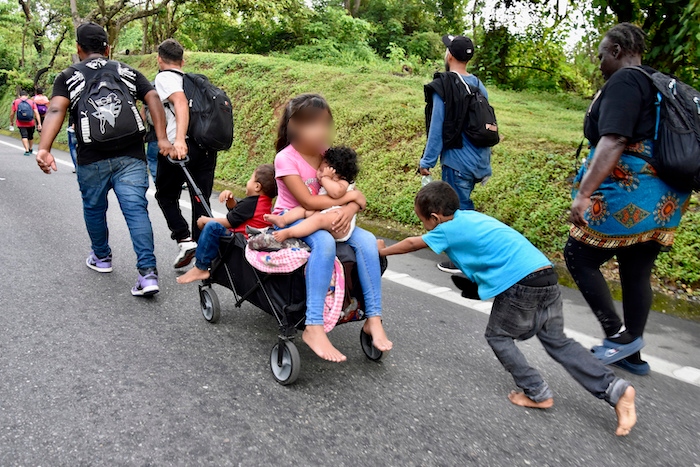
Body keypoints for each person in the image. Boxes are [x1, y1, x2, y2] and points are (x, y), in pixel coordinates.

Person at [378, 181, 637, 436]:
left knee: (498, 336)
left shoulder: (447, 228)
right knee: (557, 341)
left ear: (434, 217)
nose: (425, 226)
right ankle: (616, 390)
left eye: (423, 220)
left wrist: (382, 252)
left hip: (522, 283)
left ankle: (537, 392)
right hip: (544, 273)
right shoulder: (469, 217)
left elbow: (413, 243)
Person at [565, 23, 692, 376]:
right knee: (636, 269)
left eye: (603, 54)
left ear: (618, 51)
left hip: (631, 191)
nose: (600, 62)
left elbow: (614, 140)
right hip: (666, 199)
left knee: (578, 254)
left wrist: (584, 194)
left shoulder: (625, 80)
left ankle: (617, 338)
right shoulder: (657, 81)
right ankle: (632, 354)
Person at [35, 22, 174, 297]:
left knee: (94, 208)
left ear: (78, 48)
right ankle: (147, 274)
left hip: (91, 157)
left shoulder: (68, 76)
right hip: (131, 155)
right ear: (107, 48)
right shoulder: (125, 71)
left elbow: (55, 109)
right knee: (136, 211)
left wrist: (44, 148)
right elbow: (153, 97)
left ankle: (102, 258)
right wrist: (163, 139)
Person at [272, 93, 392, 363]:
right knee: (324, 242)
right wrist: (347, 200)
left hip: (331, 214)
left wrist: (348, 208)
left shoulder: (328, 155)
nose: (322, 130)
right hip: (294, 215)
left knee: (368, 240)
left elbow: (355, 194)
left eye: (326, 123)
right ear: (295, 126)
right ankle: (313, 325)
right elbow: (307, 200)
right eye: (314, 124)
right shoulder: (286, 159)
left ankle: (373, 317)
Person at [419, 34, 492, 274]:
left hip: (457, 160)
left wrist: (426, 161)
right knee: (464, 206)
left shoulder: (447, 84)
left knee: (459, 211)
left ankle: (466, 260)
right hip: (478, 160)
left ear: (449, 55)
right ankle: (469, 255)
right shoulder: (478, 84)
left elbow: (437, 127)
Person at [154, 38, 218, 269]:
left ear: (159, 59)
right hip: (206, 148)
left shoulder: (164, 77)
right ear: (183, 60)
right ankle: (204, 260)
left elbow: (179, 103)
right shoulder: (195, 81)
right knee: (200, 199)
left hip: (179, 149)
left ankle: (184, 238)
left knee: (165, 195)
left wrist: (179, 139)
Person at [177, 164, 277, 284]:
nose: (248, 181)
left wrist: (205, 220)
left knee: (212, 227)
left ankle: (201, 267)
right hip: (251, 242)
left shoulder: (251, 204)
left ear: (257, 186)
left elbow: (229, 222)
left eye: (251, 178)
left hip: (240, 244)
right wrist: (230, 200)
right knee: (213, 225)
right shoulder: (263, 203)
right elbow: (238, 213)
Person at [266, 146, 359, 243]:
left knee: (318, 220)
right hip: (322, 212)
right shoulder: (285, 157)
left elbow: (337, 193)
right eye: (319, 170)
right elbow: (309, 203)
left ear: (340, 176)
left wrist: (325, 178)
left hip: (338, 222)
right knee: (303, 210)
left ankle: (289, 232)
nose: (319, 175)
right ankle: (283, 219)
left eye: (322, 172)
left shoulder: (343, 183)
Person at [9, 90, 42, 156]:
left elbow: (12, 113)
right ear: (27, 96)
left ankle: (26, 150)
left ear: (19, 96)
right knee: (30, 136)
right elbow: (36, 113)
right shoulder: (32, 102)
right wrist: (39, 123)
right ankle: (30, 148)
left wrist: (11, 122)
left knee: (24, 136)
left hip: (20, 122)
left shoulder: (16, 102)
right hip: (31, 122)